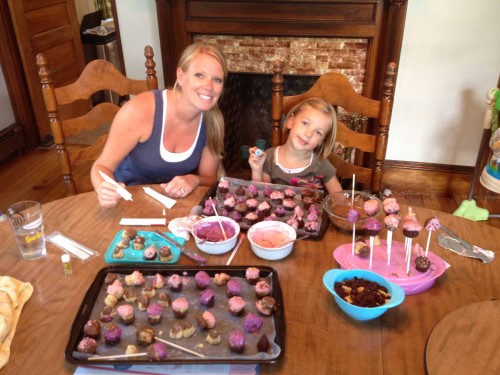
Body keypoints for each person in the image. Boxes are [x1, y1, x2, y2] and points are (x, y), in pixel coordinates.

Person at [90, 43, 228, 207]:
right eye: (199, 75)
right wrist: (104, 191)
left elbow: (209, 179)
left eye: (217, 79)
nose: (209, 86)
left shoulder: (214, 121)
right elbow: (101, 167)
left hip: (171, 208)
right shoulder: (141, 110)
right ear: (181, 76)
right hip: (124, 204)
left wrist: (194, 179)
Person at [248, 97, 342, 194]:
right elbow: (261, 197)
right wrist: (257, 170)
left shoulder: (322, 165)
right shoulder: (269, 158)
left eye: (318, 132)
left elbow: (339, 199)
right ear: (291, 121)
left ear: (321, 140)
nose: (308, 134)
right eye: (305, 123)